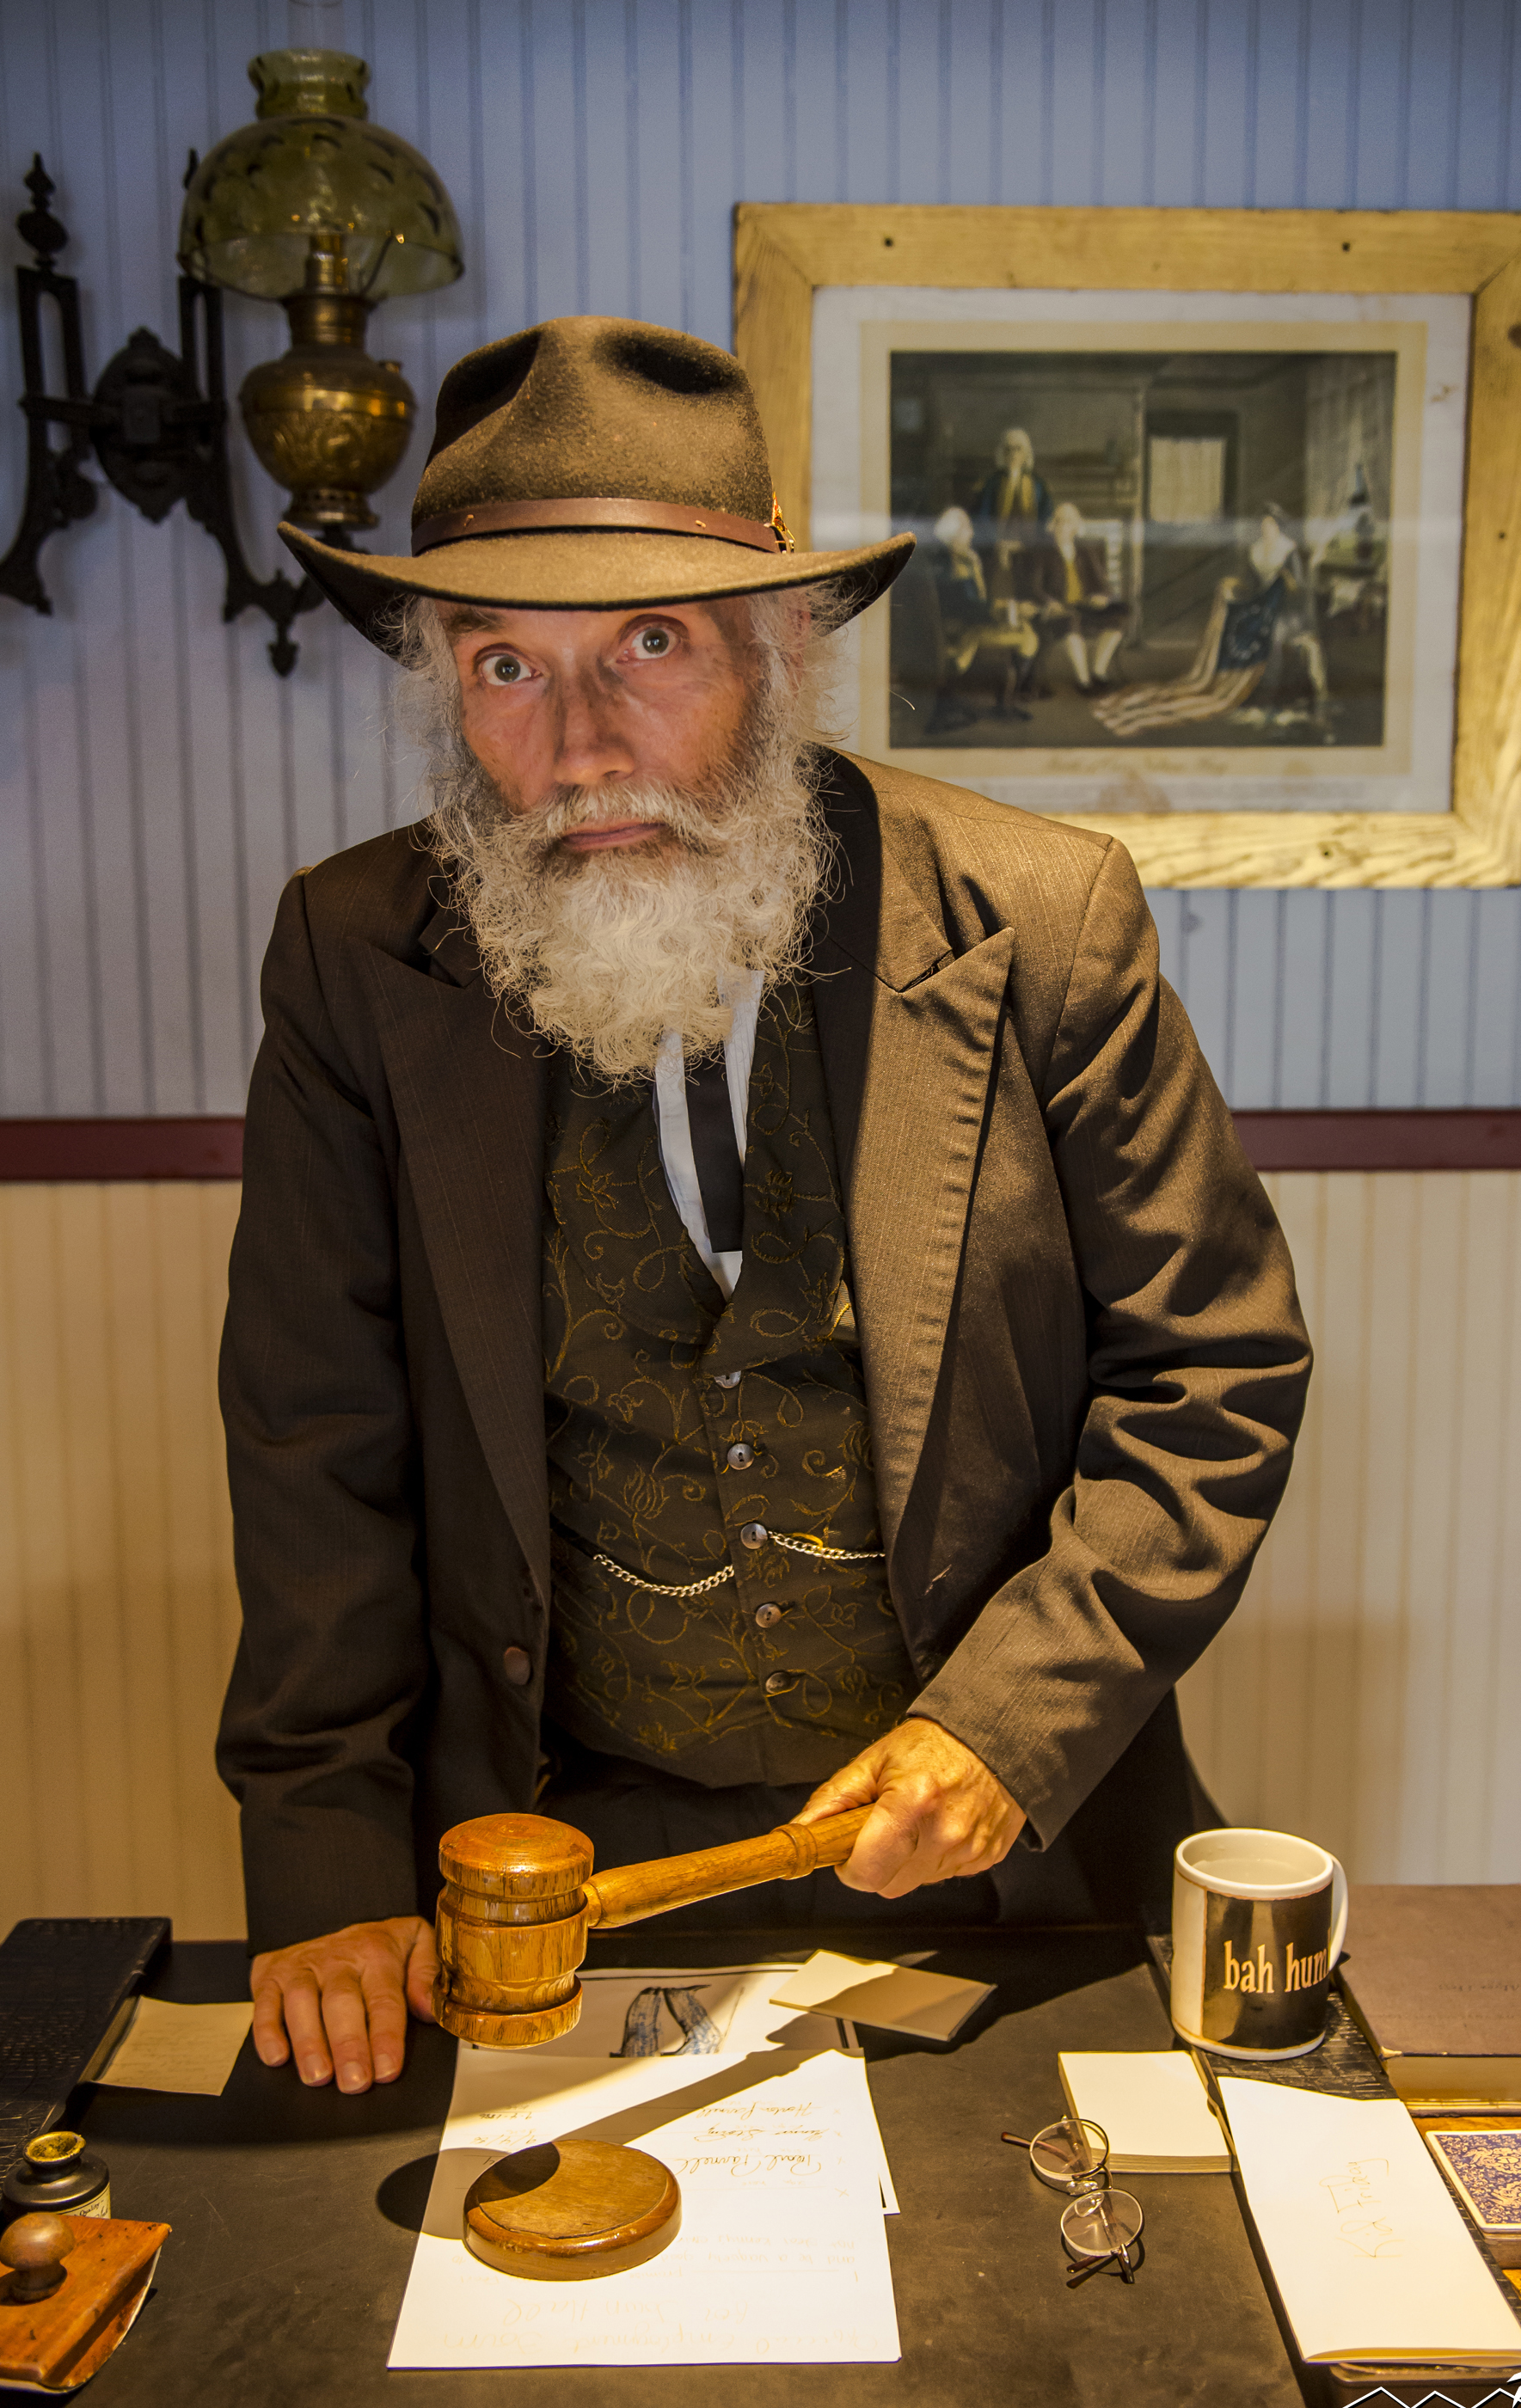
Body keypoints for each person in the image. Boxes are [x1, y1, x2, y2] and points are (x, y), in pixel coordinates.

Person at [218, 316, 1310, 2097]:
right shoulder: (354, 959)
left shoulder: (1045, 918)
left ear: (782, 643)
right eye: (506, 668)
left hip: (994, 1856)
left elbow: (1219, 1371)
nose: (580, 750)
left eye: (650, 646)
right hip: (547, 1867)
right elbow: (313, 1442)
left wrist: (1006, 1723)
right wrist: (329, 1862)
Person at [1095, 505, 1326, 740]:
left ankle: (1268, 699)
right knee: (1233, 629)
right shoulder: (1256, 550)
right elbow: (1250, 584)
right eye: (1263, 525)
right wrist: (1232, 584)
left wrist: (1281, 585)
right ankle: (1245, 693)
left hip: (1288, 613)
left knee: (1271, 637)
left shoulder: (1289, 551)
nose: (1266, 529)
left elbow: (1297, 590)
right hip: (1262, 607)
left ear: (1279, 527)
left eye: (1271, 525)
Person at [924, 503, 1040, 727]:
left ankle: (1007, 701)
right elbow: (964, 606)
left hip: (968, 624)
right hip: (957, 629)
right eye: (967, 528)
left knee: (1026, 631)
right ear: (954, 533)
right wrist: (1006, 608)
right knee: (1027, 637)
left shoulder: (961, 557)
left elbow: (976, 601)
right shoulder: (948, 563)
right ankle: (1004, 705)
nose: (972, 533)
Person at [1036, 502, 1130, 696]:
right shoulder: (1043, 552)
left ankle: (1098, 672)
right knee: (1070, 622)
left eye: (1068, 522)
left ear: (1076, 527)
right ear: (1052, 525)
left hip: (1085, 605)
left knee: (1120, 613)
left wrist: (1102, 596)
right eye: (1059, 521)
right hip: (1060, 608)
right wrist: (1049, 602)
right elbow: (1034, 588)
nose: (1062, 526)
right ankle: (1084, 681)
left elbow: (1101, 581)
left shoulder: (1085, 550)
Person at [970, 426, 1050, 598]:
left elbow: (1045, 520)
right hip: (999, 548)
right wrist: (998, 543)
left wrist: (1026, 544)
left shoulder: (1038, 485)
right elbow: (982, 519)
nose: (1013, 454)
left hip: (1030, 547)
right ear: (1002, 453)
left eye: (1018, 449)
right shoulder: (991, 484)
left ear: (1026, 453)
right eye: (1008, 449)